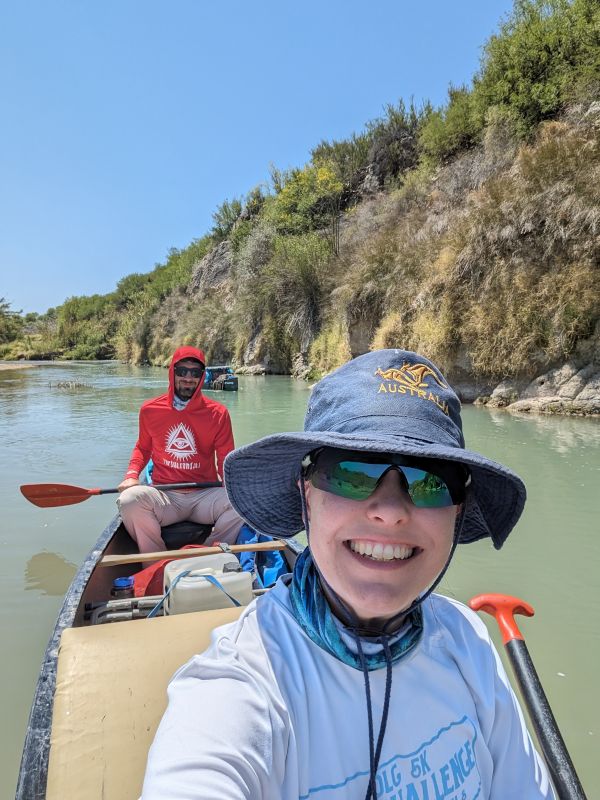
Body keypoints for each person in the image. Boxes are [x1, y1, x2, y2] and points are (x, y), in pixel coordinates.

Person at [141, 349, 554, 799]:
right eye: (351, 473)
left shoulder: (466, 638)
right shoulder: (242, 683)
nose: (391, 512)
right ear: (306, 496)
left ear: (457, 510)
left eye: (430, 481)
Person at [117, 345, 243, 552]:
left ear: (202, 377)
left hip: (204, 494)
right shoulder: (150, 410)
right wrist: (131, 475)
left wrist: (234, 485)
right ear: (172, 372)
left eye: (195, 373)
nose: (188, 377)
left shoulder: (218, 413)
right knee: (129, 500)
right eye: (182, 371)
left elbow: (225, 459)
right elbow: (142, 448)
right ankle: (155, 561)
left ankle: (210, 552)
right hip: (164, 495)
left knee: (241, 502)